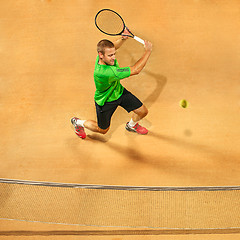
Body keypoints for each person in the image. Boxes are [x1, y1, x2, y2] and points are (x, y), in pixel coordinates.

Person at [71, 29, 153, 139]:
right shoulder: (106, 72)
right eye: (110, 55)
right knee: (103, 130)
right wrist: (147, 51)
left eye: (114, 54)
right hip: (106, 101)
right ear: (101, 55)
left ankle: (131, 126)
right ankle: (78, 122)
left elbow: (112, 45)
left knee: (143, 111)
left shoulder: (101, 56)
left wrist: (122, 39)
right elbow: (136, 70)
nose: (113, 58)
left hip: (118, 91)